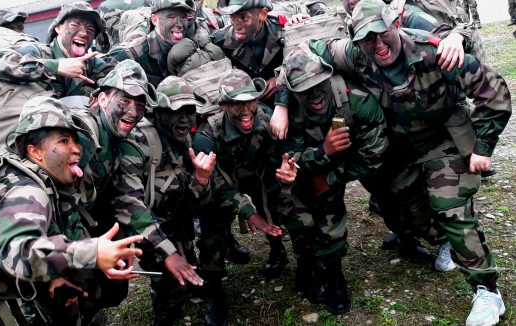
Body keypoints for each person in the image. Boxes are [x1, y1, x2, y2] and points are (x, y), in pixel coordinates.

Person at [310, 0, 511, 324]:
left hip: (441, 136)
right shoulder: (355, 53)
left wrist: (483, 147)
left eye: (382, 33)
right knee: (401, 204)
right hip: (399, 144)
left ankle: (487, 292)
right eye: (366, 39)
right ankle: (440, 238)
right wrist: (279, 98)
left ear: (396, 25)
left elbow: (496, 93)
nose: (378, 45)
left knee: (448, 204)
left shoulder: (434, 51)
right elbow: (312, 48)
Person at [0, 97, 144, 325]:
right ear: (35, 152)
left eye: (76, 141)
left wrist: (52, 279)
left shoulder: (48, 184)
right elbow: (18, 253)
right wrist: (91, 252)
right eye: (64, 141)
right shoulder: (25, 191)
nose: (76, 150)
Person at [75, 60, 205, 311]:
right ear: (102, 99)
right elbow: (127, 200)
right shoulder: (85, 135)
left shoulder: (117, 136)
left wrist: (201, 179)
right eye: (124, 100)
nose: (133, 112)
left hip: (93, 226)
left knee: (110, 293)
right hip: (53, 238)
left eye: (140, 104)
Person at [276, 43, 389, 314]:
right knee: (296, 211)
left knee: (329, 214)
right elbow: (289, 156)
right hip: (310, 163)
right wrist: (323, 152)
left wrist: (332, 177)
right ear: (293, 93)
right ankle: (305, 265)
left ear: (328, 76)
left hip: (344, 164)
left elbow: (374, 155)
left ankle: (335, 276)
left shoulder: (358, 101)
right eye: (304, 89)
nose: (314, 93)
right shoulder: (286, 112)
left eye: (319, 83)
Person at [110, 76, 215, 325]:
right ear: (158, 113)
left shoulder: (186, 140)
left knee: (188, 258)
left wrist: (202, 179)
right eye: (176, 111)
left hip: (176, 216)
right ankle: (166, 314)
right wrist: (168, 252)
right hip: (146, 224)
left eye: (189, 111)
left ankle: (191, 284)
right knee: (169, 278)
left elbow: (196, 200)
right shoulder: (137, 143)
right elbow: (130, 205)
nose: (184, 118)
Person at [194, 69, 295, 325]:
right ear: (225, 106)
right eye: (236, 104)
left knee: (281, 206)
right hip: (222, 189)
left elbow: (283, 153)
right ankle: (214, 291)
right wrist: (249, 212)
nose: (245, 110)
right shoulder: (207, 136)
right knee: (211, 232)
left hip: (258, 177)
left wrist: (286, 172)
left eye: (250, 101)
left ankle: (278, 251)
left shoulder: (266, 118)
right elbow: (214, 185)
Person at [0, 1, 114, 98]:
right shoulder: (37, 52)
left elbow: (119, 76)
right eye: (75, 25)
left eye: (90, 30)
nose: (84, 33)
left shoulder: (92, 65)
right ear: (58, 28)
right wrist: (55, 66)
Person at [106, 0, 215, 87]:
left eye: (183, 17)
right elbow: (102, 72)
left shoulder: (196, 45)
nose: (179, 24)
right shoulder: (136, 51)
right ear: (154, 20)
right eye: (171, 17)